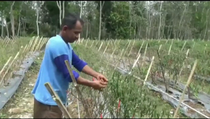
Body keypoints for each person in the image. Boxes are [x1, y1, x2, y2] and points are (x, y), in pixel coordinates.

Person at [31, 13, 108, 118]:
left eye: (79, 33)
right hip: (48, 102)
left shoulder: (66, 45)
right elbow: (69, 74)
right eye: (76, 33)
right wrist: (92, 84)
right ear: (65, 29)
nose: (77, 37)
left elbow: (78, 63)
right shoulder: (56, 44)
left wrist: (96, 74)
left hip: (55, 99)